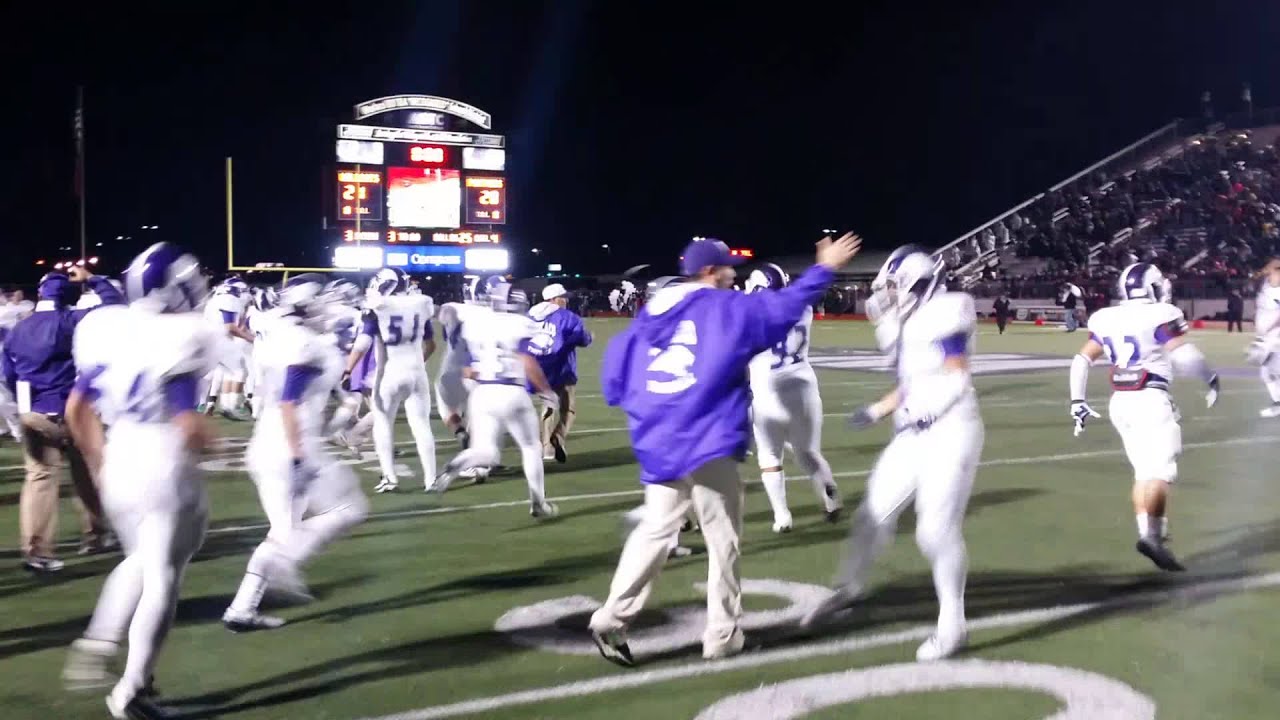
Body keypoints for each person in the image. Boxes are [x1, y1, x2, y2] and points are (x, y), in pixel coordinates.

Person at [587, 234, 860, 666]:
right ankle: (722, 635)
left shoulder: (645, 318)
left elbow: (613, 386)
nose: (734, 273)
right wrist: (824, 267)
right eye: (728, 267)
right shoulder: (721, 307)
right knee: (723, 541)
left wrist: (658, 408)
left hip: (659, 440)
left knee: (656, 530)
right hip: (706, 438)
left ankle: (611, 618)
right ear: (709, 272)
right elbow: (782, 309)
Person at [60, 243, 218, 719]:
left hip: (121, 452)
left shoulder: (110, 330)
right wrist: (211, 444)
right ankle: (132, 689)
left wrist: (100, 459)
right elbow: (187, 420)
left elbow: (75, 409)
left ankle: (99, 642)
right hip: (161, 455)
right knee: (163, 577)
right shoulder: (183, 335)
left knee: (143, 560)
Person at [803, 249, 982, 662]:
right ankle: (850, 586)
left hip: (952, 431)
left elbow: (957, 376)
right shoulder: (908, 324)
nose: (886, 296)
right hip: (912, 433)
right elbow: (914, 383)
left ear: (917, 285)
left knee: (934, 532)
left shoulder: (948, 310)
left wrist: (926, 410)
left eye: (892, 287)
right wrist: (879, 410)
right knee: (872, 515)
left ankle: (952, 626)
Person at [223, 274, 369, 631]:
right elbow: (290, 402)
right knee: (350, 508)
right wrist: (299, 456)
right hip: (291, 444)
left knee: (282, 529)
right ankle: (285, 564)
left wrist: (343, 419)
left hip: (265, 443)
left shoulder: (276, 335)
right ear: (308, 305)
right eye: (321, 301)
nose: (328, 308)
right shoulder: (307, 344)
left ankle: (242, 608)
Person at [1068, 263, 1218, 571]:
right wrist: (1210, 378)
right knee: (1162, 471)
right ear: (1152, 287)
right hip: (1151, 399)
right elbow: (1184, 355)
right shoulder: (1161, 314)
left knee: (1143, 473)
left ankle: (1149, 534)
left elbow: (1082, 359)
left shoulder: (1107, 317)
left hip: (1120, 401)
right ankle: (1153, 537)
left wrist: (1078, 401)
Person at [2, 267, 122, 572]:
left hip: (33, 413)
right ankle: (96, 534)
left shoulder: (18, 329)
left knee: (40, 479)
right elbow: (114, 306)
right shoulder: (70, 321)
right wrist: (93, 279)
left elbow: (9, 374)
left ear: (39, 294)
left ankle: (37, 549)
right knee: (88, 474)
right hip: (71, 411)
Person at [432, 284, 560, 516]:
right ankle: (538, 503)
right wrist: (546, 392)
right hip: (512, 392)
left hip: (483, 394)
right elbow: (527, 360)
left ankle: (456, 465)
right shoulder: (520, 324)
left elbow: (469, 371)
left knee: (486, 451)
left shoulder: (477, 324)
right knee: (531, 447)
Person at [744, 263, 841, 533]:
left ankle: (782, 517)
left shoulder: (749, 316)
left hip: (767, 391)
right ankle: (831, 499)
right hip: (803, 388)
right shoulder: (803, 309)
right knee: (808, 451)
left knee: (770, 456)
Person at [342, 267, 436, 494]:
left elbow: (362, 344)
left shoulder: (376, 309)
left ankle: (390, 478)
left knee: (383, 425)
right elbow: (431, 345)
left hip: (390, 373)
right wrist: (415, 364)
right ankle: (431, 479)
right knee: (422, 426)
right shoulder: (420, 305)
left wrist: (347, 370)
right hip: (416, 374)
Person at [527, 283, 593, 463]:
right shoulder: (567, 317)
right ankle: (559, 435)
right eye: (563, 297)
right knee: (567, 408)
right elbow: (583, 339)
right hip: (563, 368)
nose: (565, 300)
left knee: (547, 406)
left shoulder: (530, 315)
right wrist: (589, 337)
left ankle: (546, 448)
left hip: (539, 368)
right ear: (554, 299)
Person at [200, 276, 255, 420]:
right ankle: (230, 407)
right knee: (239, 371)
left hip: (211, 339)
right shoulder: (228, 300)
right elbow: (230, 327)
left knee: (226, 372)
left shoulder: (215, 300)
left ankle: (225, 406)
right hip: (220, 339)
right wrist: (251, 338)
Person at [1248, 259, 1280, 418]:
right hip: (1266, 336)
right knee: (1268, 372)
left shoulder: (1277, 291)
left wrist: (1269, 329)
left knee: (1268, 371)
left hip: (1274, 337)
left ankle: (1277, 404)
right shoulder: (1266, 288)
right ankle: (1277, 403)